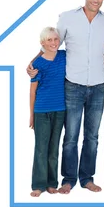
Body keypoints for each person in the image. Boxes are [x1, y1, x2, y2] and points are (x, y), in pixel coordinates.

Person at [27, 0, 104, 194]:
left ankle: (87, 178)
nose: (96, 0)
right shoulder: (67, 18)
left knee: (92, 137)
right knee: (71, 136)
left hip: (98, 85)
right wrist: (33, 63)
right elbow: (52, 43)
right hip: (73, 85)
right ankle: (68, 179)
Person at [29, 27, 66, 197]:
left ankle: (52, 183)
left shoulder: (63, 57)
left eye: (55, 39)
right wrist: (31, 115)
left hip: (60, 110)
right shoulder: (37, 64)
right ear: (42, 42)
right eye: (49, 40)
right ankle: (38, 184)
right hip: (41, 111)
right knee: (41, 149)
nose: (53, 43)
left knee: (54, 149)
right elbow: (32, 91)